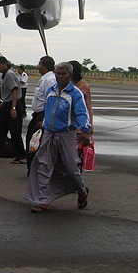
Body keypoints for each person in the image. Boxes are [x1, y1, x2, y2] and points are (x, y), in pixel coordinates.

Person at [24, 61, 91, 213]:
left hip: (66, 134)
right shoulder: (51, 91)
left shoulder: (75, 94)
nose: (59, 77)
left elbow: (82, 114)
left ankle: (82, 191)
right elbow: (49, 109)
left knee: (71, 168)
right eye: (58, 74)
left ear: (70, 75)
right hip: (49, 133)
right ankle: (42, 200)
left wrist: (85, 131)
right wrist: (44, 122)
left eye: (63, 74)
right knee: (43, 164)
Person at [0, 57, 26, 163]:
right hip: (7, 104)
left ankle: (21, 156)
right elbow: (7, 96)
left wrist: (13, 108)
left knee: (15, 132)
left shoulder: (9, 74)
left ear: (5, 64)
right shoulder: (5, 75)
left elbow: (14, 91)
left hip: (13, 104)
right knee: (0, 128)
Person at [26, 56, 56, 153]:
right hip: (38, 114)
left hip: (42, 114)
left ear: (45, 66)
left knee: (36, 142)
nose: (38, 66)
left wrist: (44, 119)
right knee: (31, 140)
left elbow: (51, 100)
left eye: (39, 64)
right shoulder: (44, 79)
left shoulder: (49, 80)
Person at [69, 60, 93, 126]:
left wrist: (90, 124)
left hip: (79, 122)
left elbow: (88, 107)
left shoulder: (85, 87)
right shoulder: (65, 86)